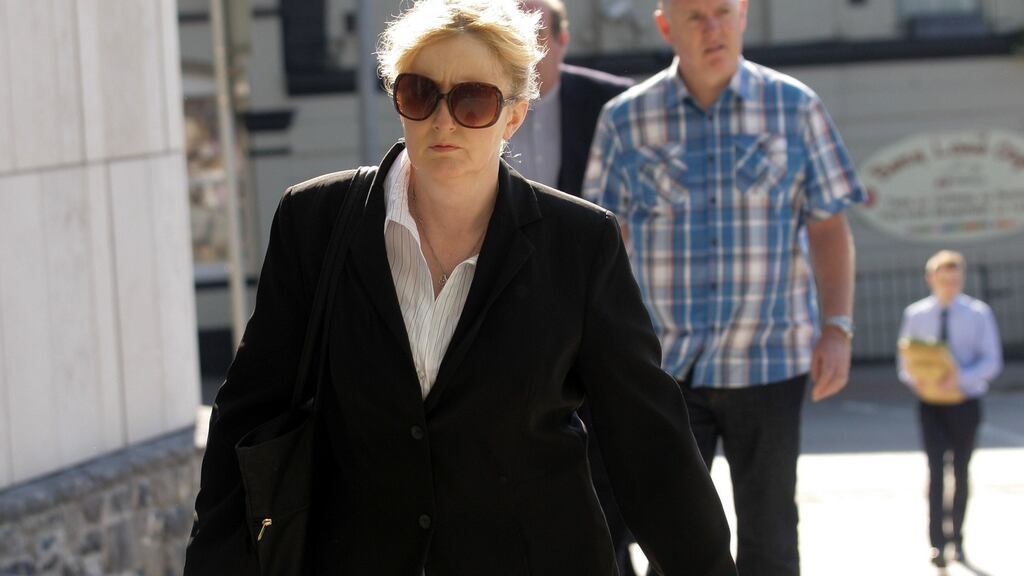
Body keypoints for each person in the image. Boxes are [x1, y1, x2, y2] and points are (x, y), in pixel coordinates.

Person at [185, 1, 737, 575]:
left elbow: (650, 444)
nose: (443, 121)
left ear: (515, 115)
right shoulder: (314, 221)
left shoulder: (579, 243)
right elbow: (247, 414)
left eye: (474, 100)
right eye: (421, 93)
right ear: (398, 99)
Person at [584, 1, 865, 574]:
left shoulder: (795, 107)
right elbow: (601, 245)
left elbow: (829, 227)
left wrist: (837, 327)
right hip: (666, 370)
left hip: (769, 363)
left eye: (722, 12)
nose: (712, 28)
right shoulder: (625, 120)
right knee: (676, 542)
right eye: (695, 17)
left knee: (771, 543)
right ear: (666, 26)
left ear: (743, 16)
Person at [512, 2, 639, 574]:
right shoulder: (476, 106)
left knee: (613, 464)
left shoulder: (616, 106)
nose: (531, 48)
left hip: (599, 315)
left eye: (540, 35)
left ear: (563, 40)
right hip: (515, 320)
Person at [897, 250, 1002, 568]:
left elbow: (991, 360)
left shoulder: (978, 313)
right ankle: (937, 542)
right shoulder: (916, 314)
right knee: (935, 471)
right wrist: (920, 380)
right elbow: (905, 362)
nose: (949, 286)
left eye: (954, 280)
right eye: (943, 280)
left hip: (964, 402)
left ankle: (957, 537)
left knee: (960, 469)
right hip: (930, 404)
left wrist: (961, 378)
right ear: (931, 279)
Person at [509, 0, 633, 197]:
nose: (521, 50)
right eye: (511, 37)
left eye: (535, 35)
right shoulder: (480, 104)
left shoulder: (612, 101)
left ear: (563, 40)